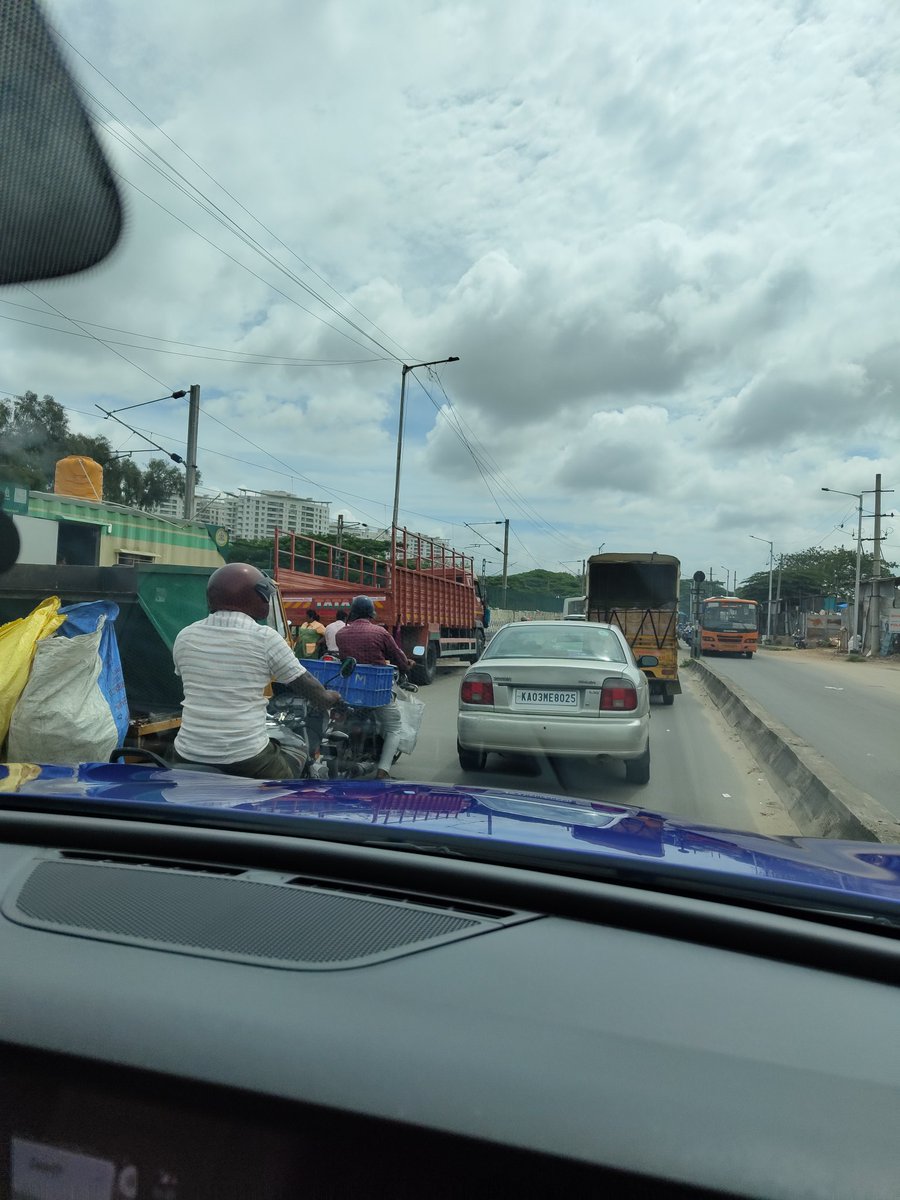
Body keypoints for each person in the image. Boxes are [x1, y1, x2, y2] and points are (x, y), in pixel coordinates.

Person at [172, 563, 341, 779]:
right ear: (257, 597)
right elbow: (308, 686)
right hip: (245, 756)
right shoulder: (265, 637)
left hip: (186, 753)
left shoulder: (185, 635)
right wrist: (331, 698)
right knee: (290, 778)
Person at [336, 595, 412, 780]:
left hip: (351, 690)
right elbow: (397, 657)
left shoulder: (341, 634)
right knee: (394, 726)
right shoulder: (380, 633)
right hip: (376, 692)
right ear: (371, 613)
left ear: (352, 612)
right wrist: (407, 665)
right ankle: (383, 771)